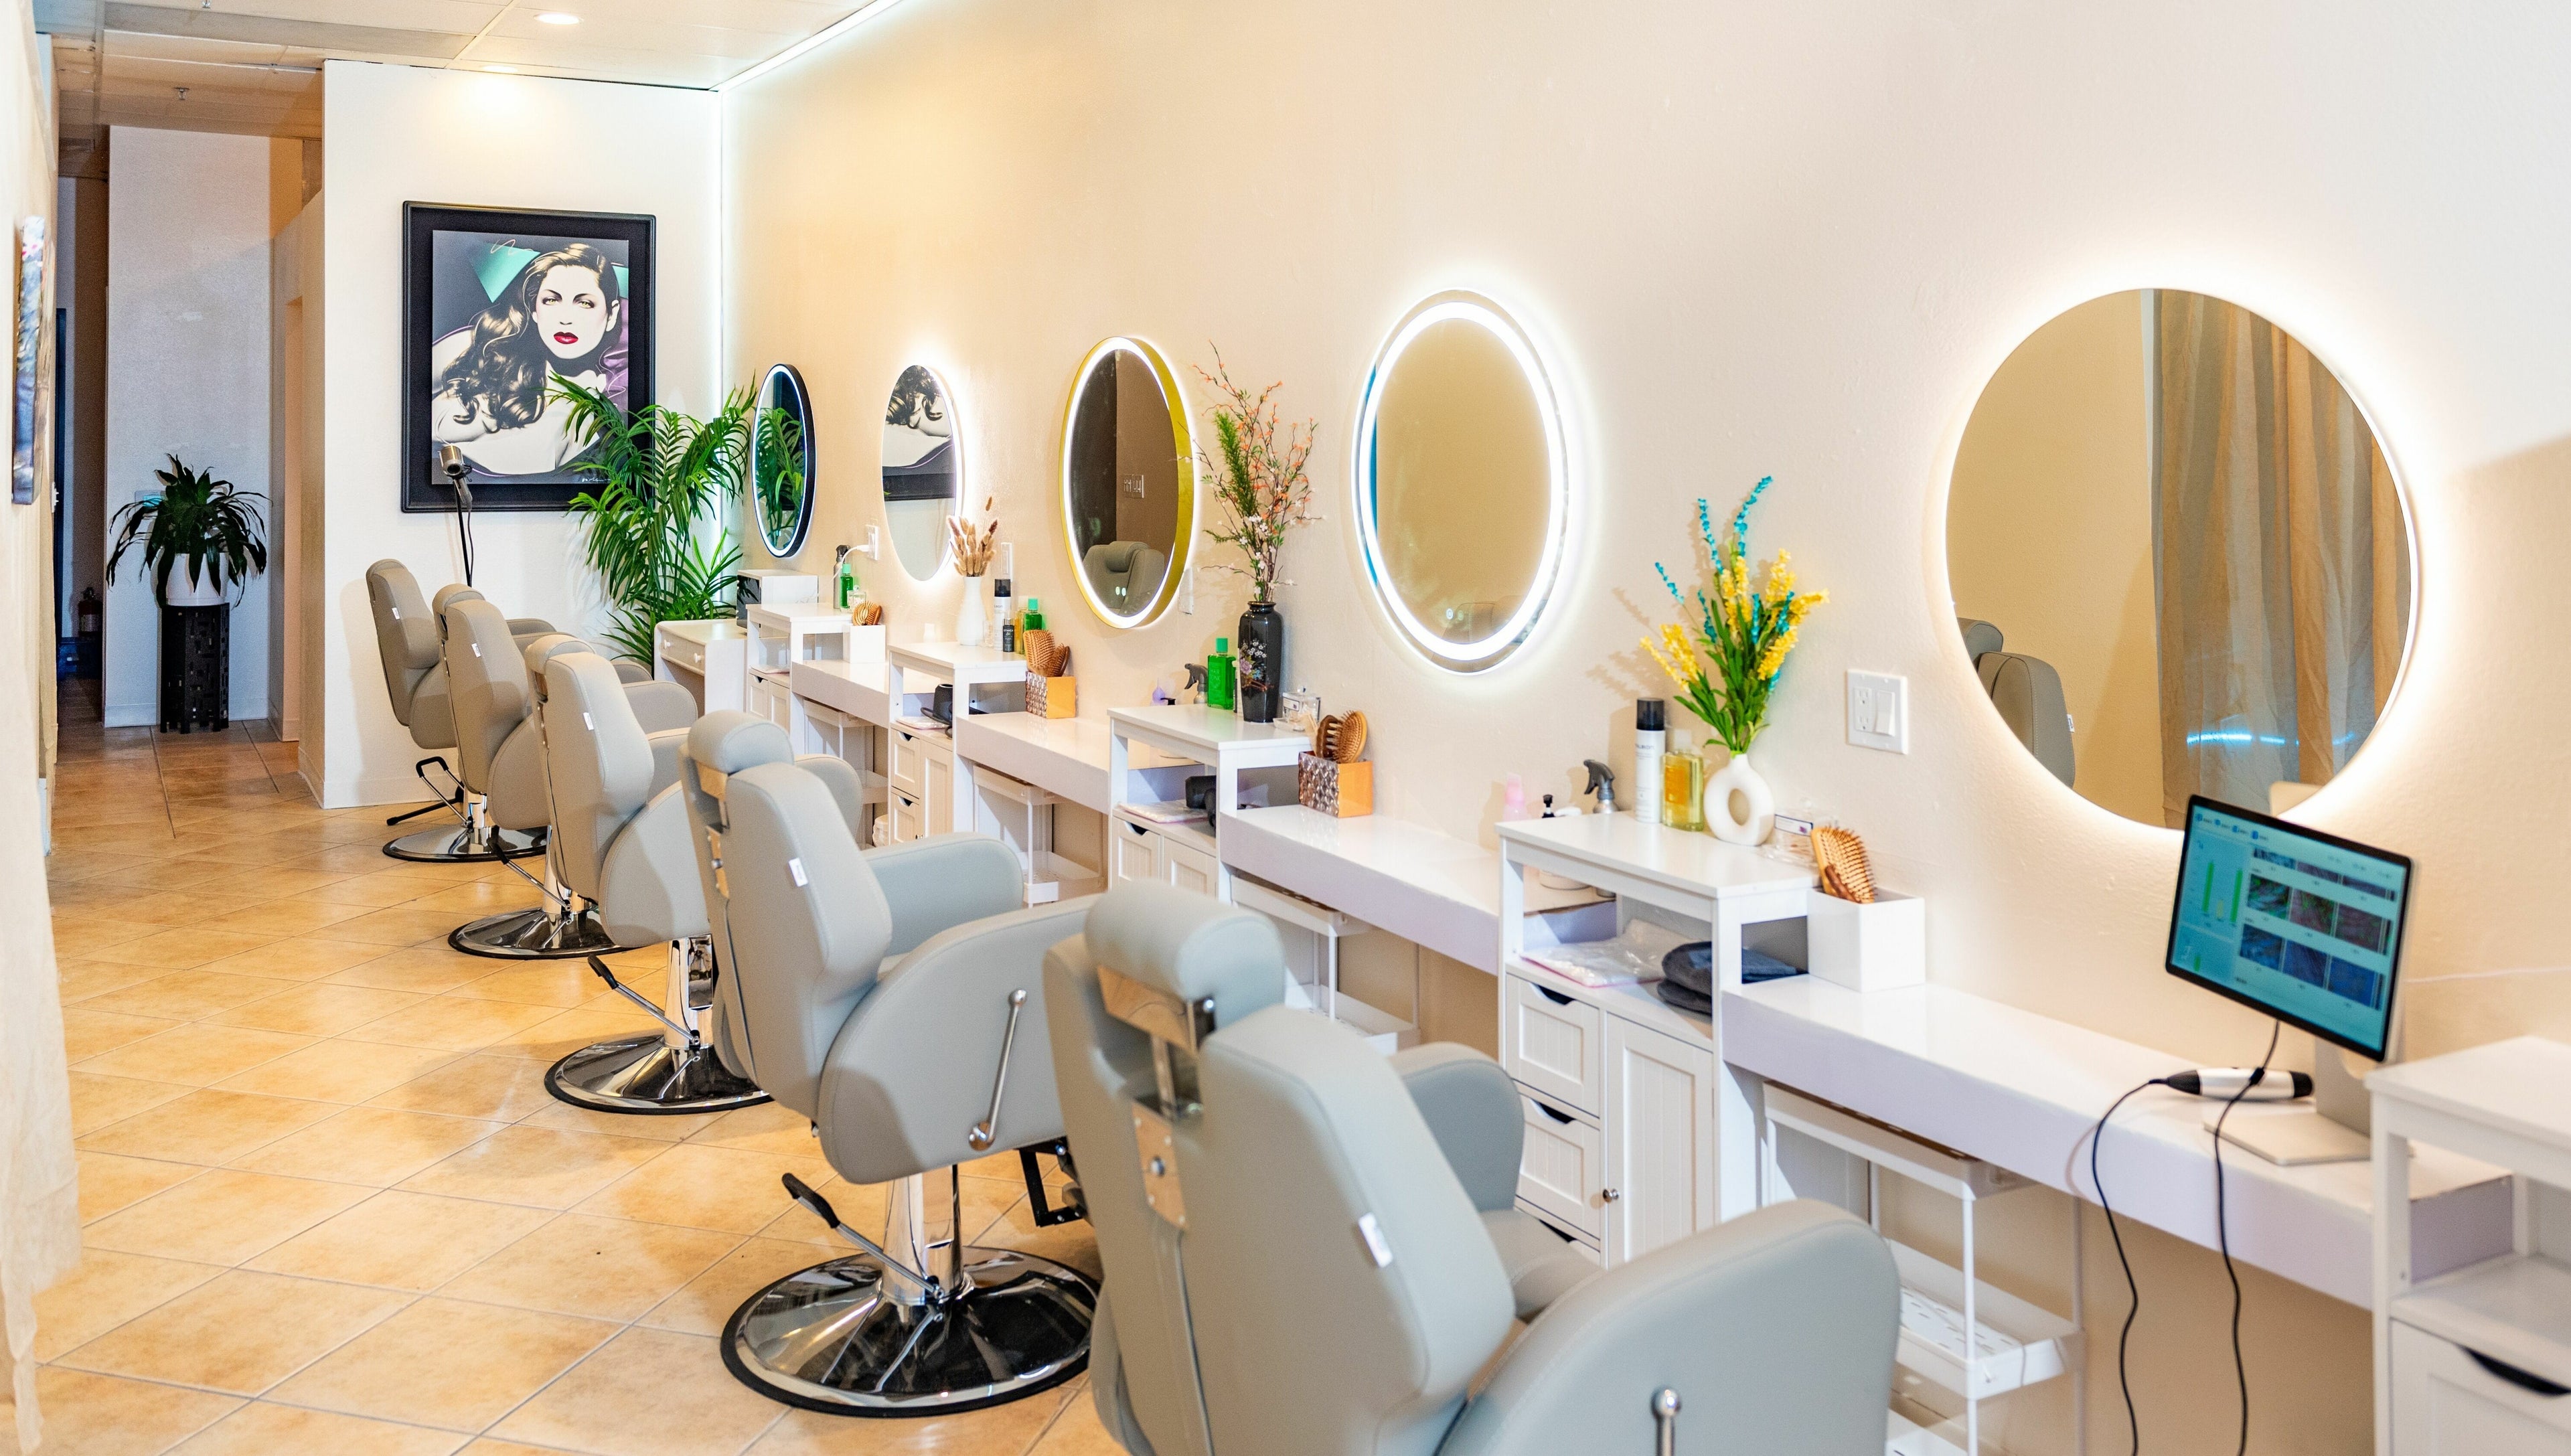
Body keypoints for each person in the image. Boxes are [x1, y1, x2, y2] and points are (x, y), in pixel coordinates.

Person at [428, 242, 627, 477]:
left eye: (584, 303)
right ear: (534, 309)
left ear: (612, 315)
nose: (566, 318)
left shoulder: (600, 417)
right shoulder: (484, 345)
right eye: (551, 300)